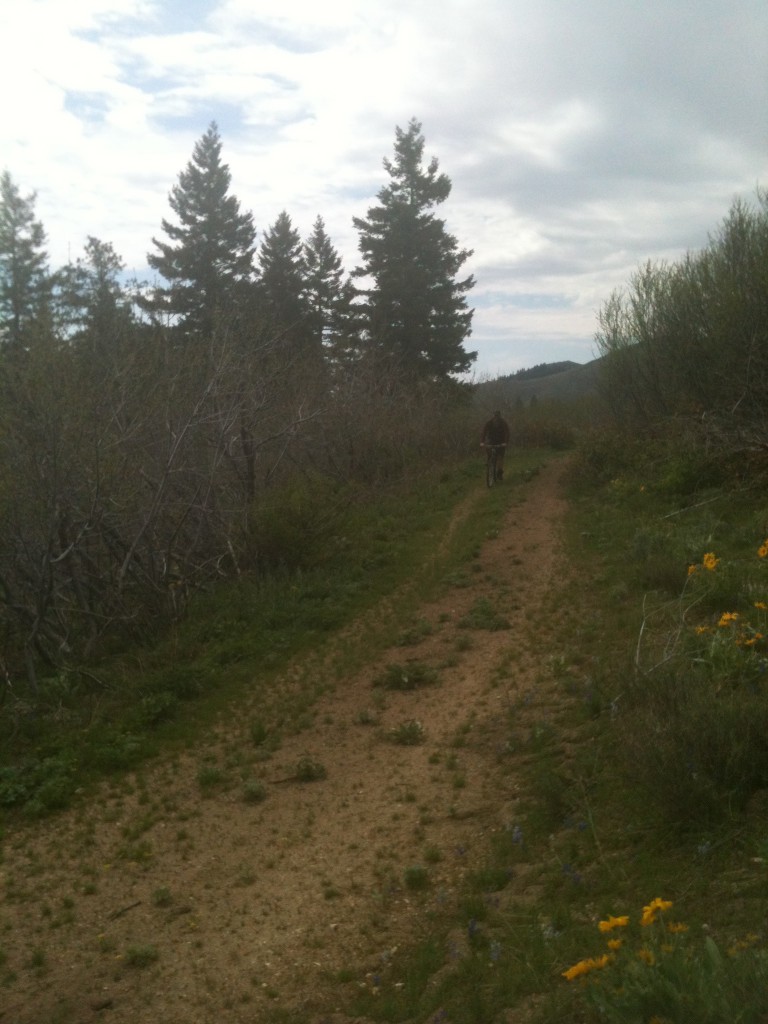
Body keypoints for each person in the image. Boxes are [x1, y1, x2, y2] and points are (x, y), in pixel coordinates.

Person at [480, 410, 510, 480]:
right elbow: (483, 432)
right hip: (491, 441)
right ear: (493, 416)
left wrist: (505, 442)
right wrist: (482, 442)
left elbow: (507, 432)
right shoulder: (489, 423)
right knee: (489, 451)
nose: (496, 418)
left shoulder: (503, 423)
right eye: (495, 416)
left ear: (499, 416)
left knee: (500, 457)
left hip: (501, 441)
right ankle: (489, 462)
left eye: (497, 417)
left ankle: (499, 472)